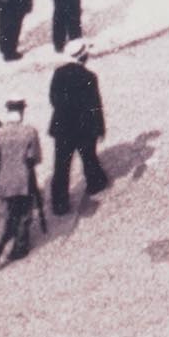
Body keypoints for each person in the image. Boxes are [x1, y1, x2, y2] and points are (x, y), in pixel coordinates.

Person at [47, 41, 110, 217]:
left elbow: (53, 98)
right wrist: (100, 128)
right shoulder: (89, 77)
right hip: (84, 127)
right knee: (89, 156)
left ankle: (59, 203)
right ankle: (95, 182)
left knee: (61, 165)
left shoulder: (58, 73)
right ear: (84, 56)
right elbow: (95, 105)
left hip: (62, 127)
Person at [0, 97, 43, 265]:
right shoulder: (30, 132)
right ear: (22, 111)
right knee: (24, 215)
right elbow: (35, 157)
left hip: (4, 180)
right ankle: (19, 248)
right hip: (24, 180)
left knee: (5, 216)